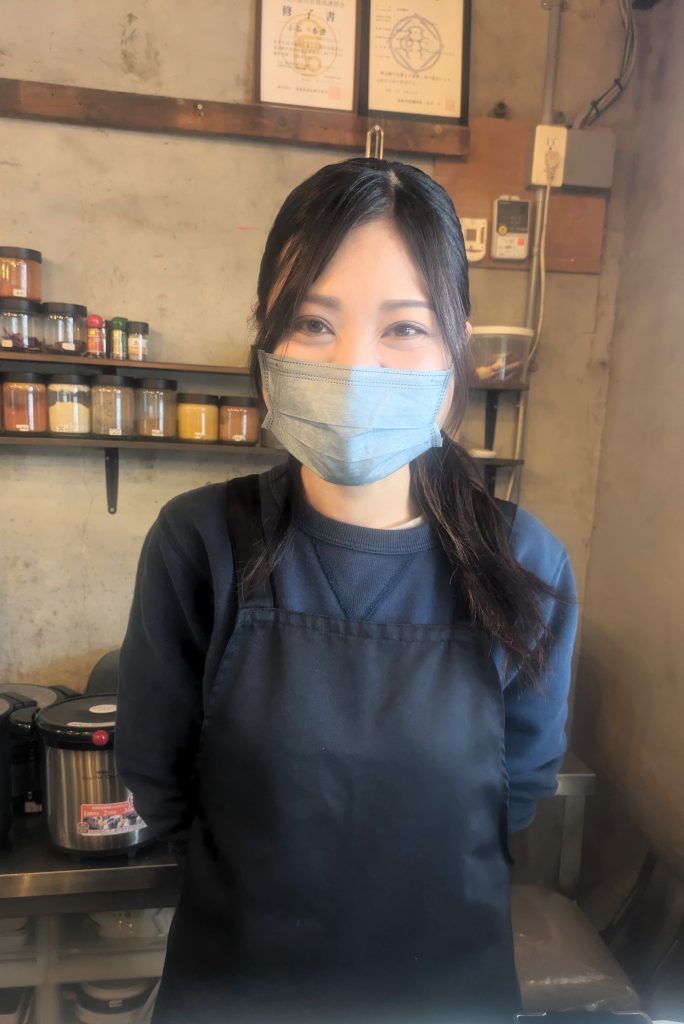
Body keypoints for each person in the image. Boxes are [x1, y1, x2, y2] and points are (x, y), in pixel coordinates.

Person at [116, 157, 578, 1024]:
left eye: (403, 327)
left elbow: (516, 793)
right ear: (267, 343)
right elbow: (158, 780)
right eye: (312, 322)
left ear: (455, 349)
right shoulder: (199, 544)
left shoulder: (526, 563)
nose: (355, 365)